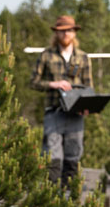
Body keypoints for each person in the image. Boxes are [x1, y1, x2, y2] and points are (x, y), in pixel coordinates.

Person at [31, 14, 94, 186]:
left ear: (74, 33)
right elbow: (33, 82)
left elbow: (89, 87)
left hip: (75, 113)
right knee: (52, 157)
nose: (66, 34)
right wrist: (54, 84)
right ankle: (52, 201)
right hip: (54, 113)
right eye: (62, 31)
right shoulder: (46, 55)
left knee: (73, 157)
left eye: (69, 31)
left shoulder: (82, 57)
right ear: (56, 33)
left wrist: (86, 106)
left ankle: (70, 202)